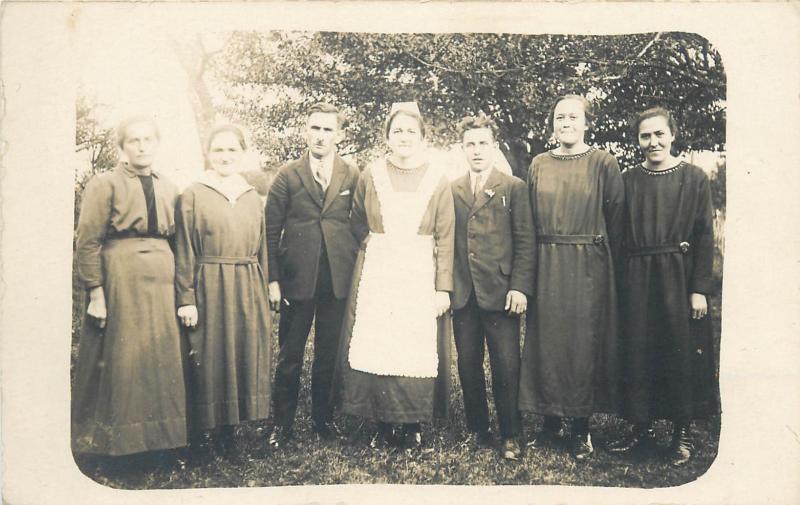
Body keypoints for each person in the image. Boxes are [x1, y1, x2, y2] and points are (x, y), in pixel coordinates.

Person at [334, 102, 454, 450]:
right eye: (397, 130)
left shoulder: (437, 177)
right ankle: (383, 420)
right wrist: (377, 245)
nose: (404, 137)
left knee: (413, 342)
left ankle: (413, 421)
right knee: (380, 339)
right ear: (387, 136)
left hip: (419, 270)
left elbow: (446, 234)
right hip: (381, 268)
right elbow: (357, 220)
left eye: (411, 131)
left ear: (422, 137)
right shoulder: (371, 173)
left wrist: (442, 287)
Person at [72, 116, 187, 461]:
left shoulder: (169, 186)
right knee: (124, 359)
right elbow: (87, 242)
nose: (141, 146)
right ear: (122, 147)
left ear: (157, 143)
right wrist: (96, 293)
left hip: (162, 278)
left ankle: (163, 443)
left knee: (160, 358)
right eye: (134, 140)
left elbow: (179, 241)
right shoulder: (104, 184)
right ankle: (118, 446)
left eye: (148, 139)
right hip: (121, 277)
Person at [607, 107, 717, 466]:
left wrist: (698, 288)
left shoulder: (695, 178)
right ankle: (641, 429)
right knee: (639, 352)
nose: (652, 142)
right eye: (645, 136)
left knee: (678, 352)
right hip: (638, 276)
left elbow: (704, 236)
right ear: (637, 140)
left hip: (677, 275)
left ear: (672, 135)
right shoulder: (628, 179)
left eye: (659, 134)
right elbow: (619, 236)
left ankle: (681, 434)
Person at [518, 94, 625, 460]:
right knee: (547, 340)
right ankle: (550, 422)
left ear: (586, 122)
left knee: (581, 345)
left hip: (587, 264)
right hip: (547, 261)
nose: (566, 123)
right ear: (553, 123)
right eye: (559, 117)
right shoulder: (538, 164)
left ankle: (580, 428)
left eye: (573, 117)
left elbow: (616, 220)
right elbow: (529, 222)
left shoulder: (603, 163)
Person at [266, 103, 360, 447]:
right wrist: (274, 281)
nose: (320, 136)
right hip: (296, 280)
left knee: (328, 355)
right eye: (315, 128)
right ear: (306, 131)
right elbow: (270, 230)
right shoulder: (287, 175)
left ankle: (323, 420)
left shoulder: (351, 174)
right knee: (290, 354)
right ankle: (283, 424)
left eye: (328, 130)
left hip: (337, 279)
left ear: (339, 134)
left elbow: (359, 222)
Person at [175, 124, 271, 457]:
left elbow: (262, 249)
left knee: (239, 350)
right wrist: (186, 297)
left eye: (232, 150)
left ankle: (231, 428)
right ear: (208, 154)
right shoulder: (193, 193)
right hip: (208, 281)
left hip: (245, 281)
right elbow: (184, 248)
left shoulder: (251, 196)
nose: (225, 156)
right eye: (218, 150)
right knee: (209, 351)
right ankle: (204, 430)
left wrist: (264, 288)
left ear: (242, 154)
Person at [449, 115, 535, 461]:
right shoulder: (452, 188)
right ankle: (478, 429)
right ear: (462, 149)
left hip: (501, 292)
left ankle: (511, 434)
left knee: (505, 364)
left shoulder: (512, 186)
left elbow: (525, 242)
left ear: (494, 147)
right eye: (470, 144)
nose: (477, 150)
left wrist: (519, 287)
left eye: (483, 143)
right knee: (468, 363)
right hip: (464, 292)